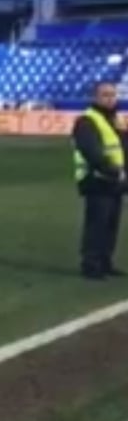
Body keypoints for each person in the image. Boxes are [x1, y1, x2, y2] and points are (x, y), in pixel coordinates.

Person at [71, 81, 126, 280]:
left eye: (112, 94)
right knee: (97, 224)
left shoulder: (115, 119)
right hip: (97, 180)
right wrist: (112, 170)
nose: (110, 98)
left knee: (111, 225)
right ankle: (91, 265)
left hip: (115, 181)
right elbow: (91, 151)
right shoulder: (87, 121)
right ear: (95, 97)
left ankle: (105, 262)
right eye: (105, 95)